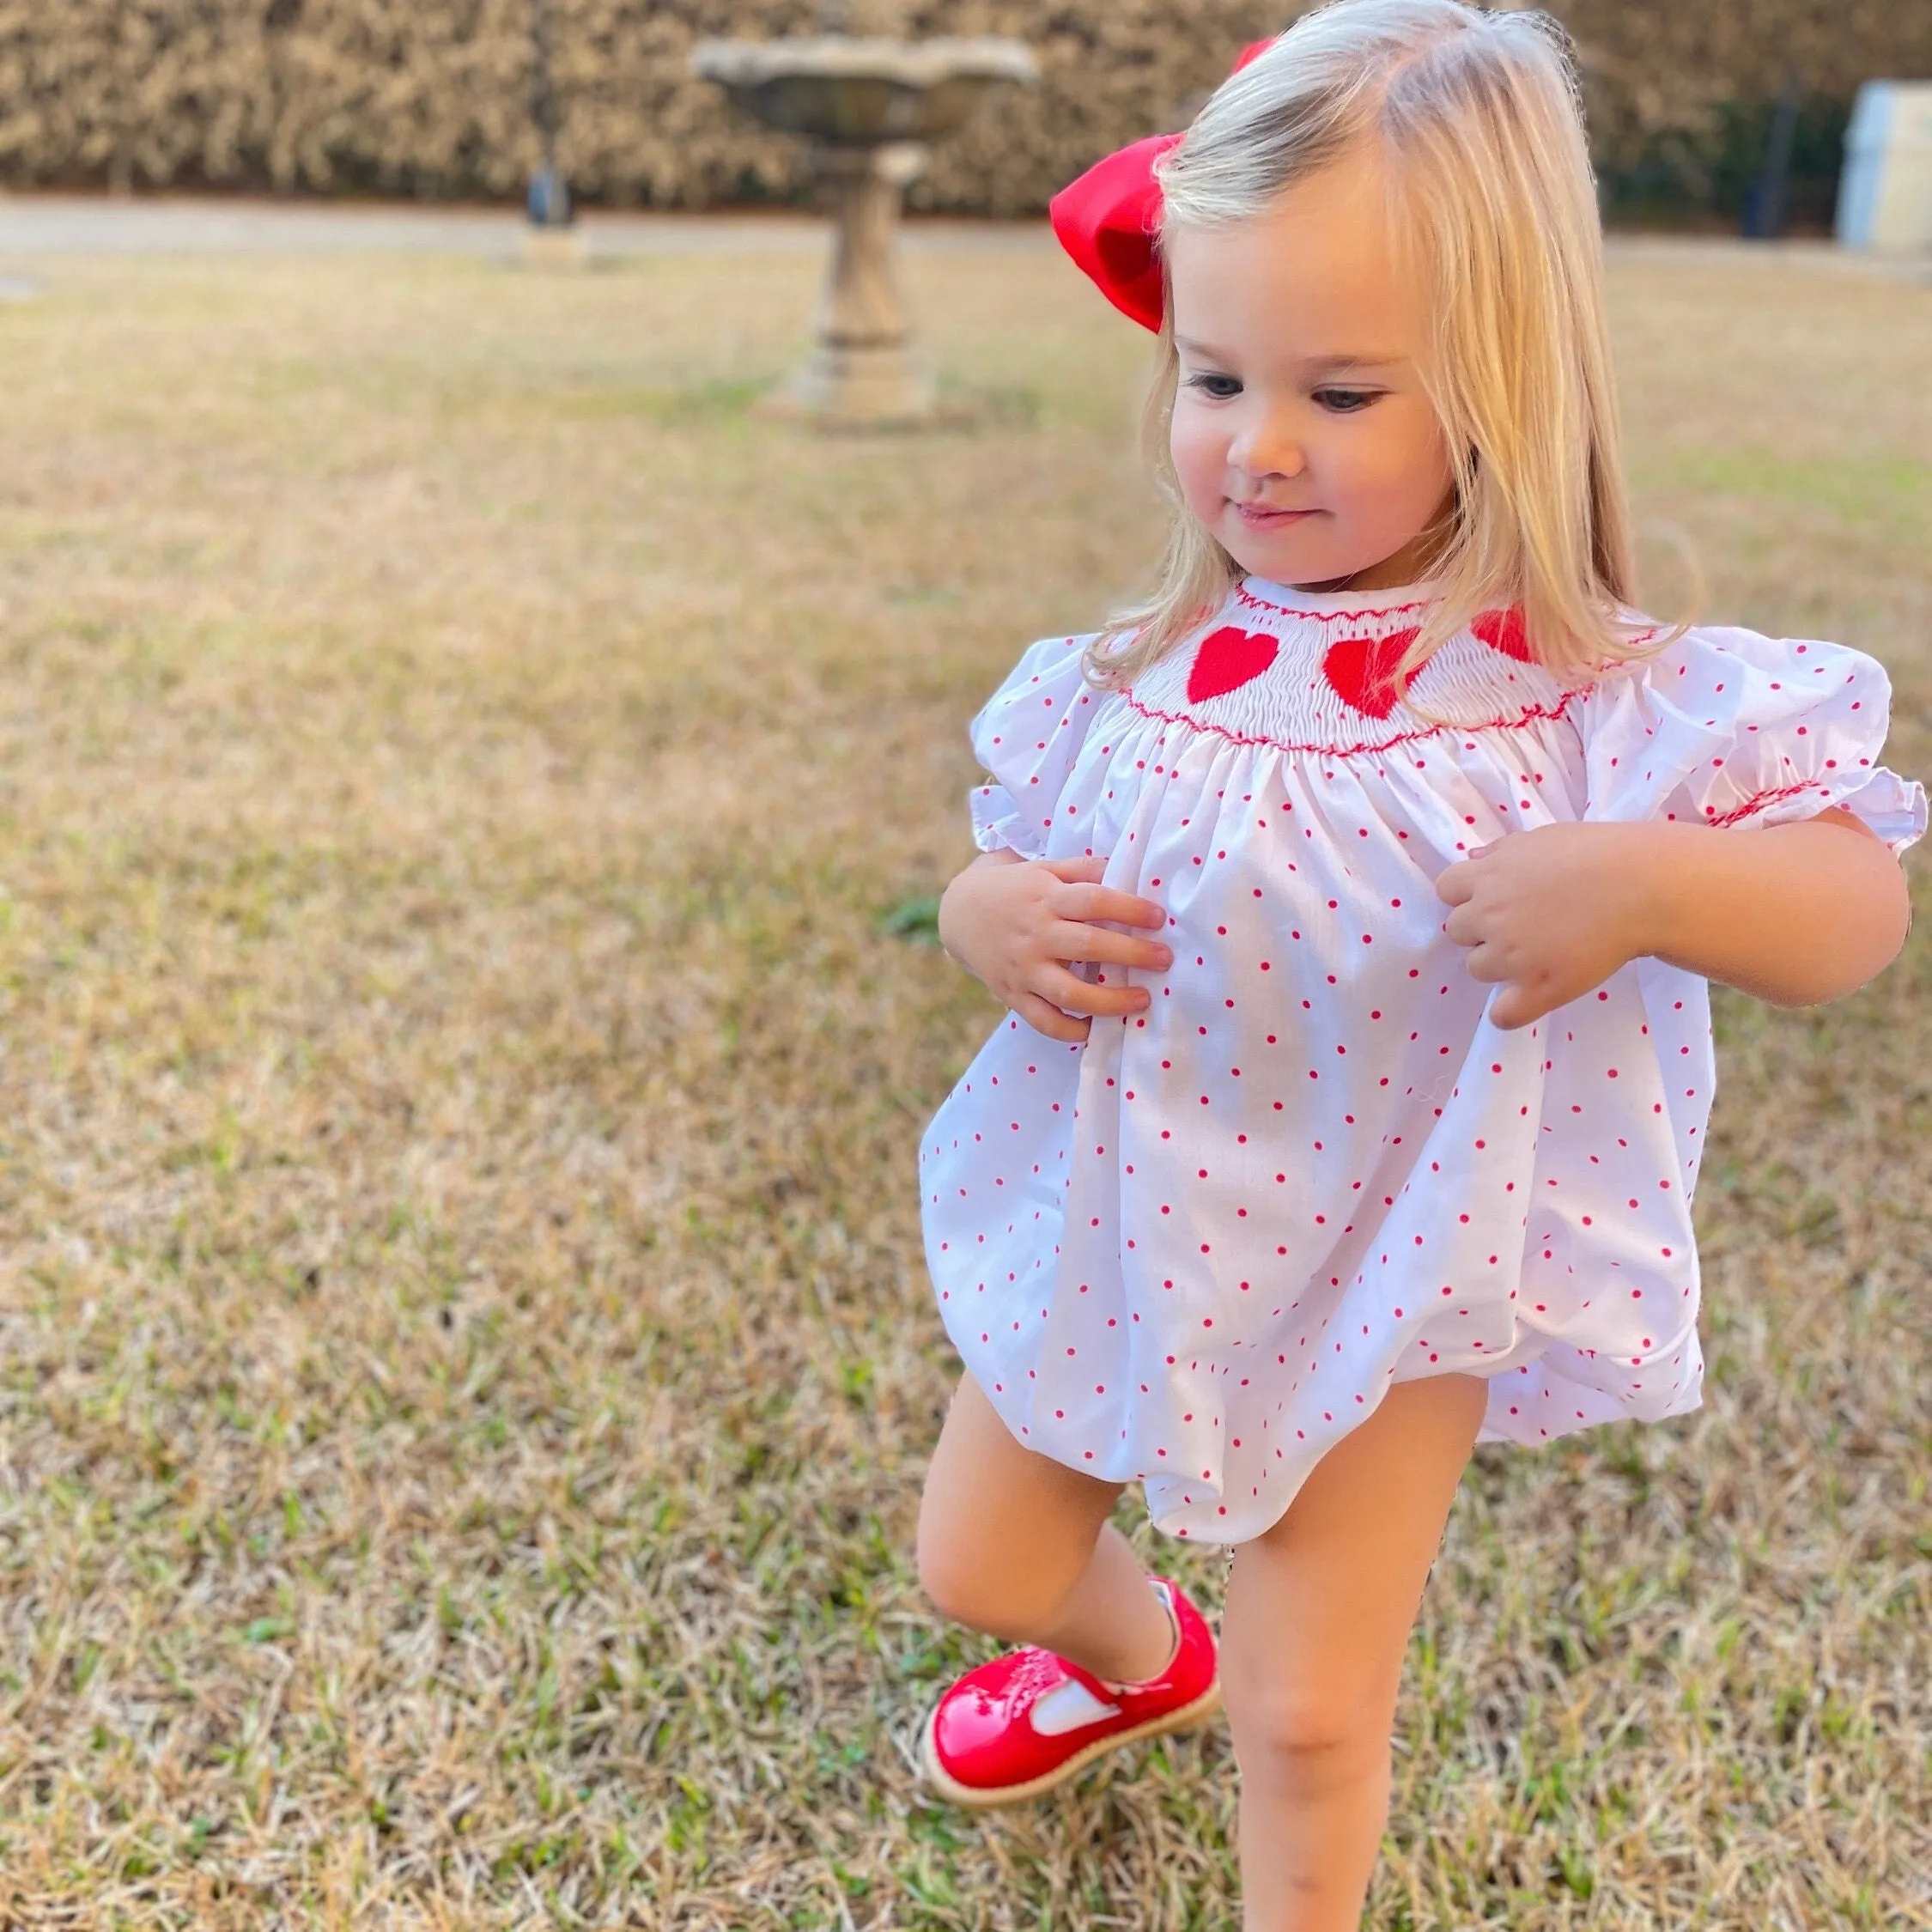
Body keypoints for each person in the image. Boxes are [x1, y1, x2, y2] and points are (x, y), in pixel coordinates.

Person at [908, 3, 1926, 1926]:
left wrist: (1644, 880)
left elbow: (1853, 905)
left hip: (1395, 1251)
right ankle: (1145, 1666)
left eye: (1345, 394)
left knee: (1315, 1714)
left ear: (1504, 382)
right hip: (1117, 1208)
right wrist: (993, 922)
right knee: (982, 1562)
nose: (1259, 449)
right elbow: (1004, 860)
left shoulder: (1587, 693)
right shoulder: (1134, 669)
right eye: (1215, 375)